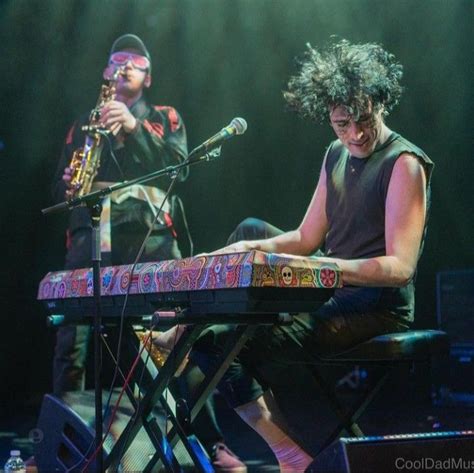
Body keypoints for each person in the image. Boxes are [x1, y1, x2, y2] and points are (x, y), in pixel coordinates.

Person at [157, 39, 434, 472]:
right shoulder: (336, 153)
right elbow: (306, 237)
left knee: (218, 344)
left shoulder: (404, 164)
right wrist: (250, 250)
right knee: (249, 231)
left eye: (364, 120)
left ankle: (289, 454)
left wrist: (317, 268)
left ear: (381, 103)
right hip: (329, 286)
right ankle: (187, 322)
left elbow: (400, 268)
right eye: (342, 124)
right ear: (327, 115)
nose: (355, 134)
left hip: (373, 306)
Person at [51, 33, 246, 471]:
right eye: (115, 62)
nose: (122, 68)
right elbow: (61, 189)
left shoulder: (164, 116)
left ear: (147, 77)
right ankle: (64, 446)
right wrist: (67, 183)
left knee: (170, 347)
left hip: (151, 241)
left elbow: (180, 165)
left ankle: (210, 443)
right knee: (72, 345)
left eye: (132, 63)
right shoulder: (83, 125)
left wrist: (135, 128)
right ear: (105, 73)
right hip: (90, 243)